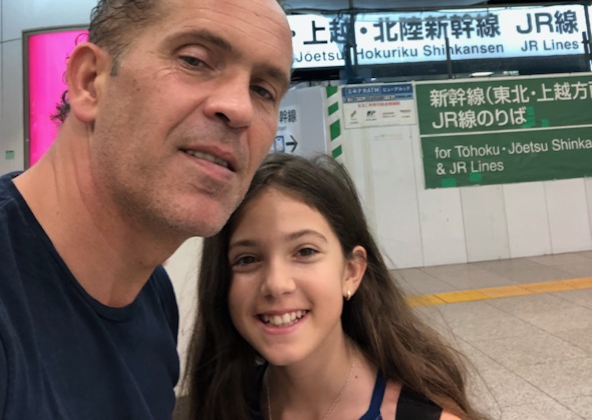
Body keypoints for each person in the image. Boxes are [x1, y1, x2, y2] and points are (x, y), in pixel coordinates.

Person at [0, 0, 293, 420]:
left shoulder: (152, 295)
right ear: (90, 82)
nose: (239, 108)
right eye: (195, 60)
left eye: (263, 90)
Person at [185, 153, 490, 420]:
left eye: (305, 251)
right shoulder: (224, 402)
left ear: (351, 272)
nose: (276, 284)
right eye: (247, 259)